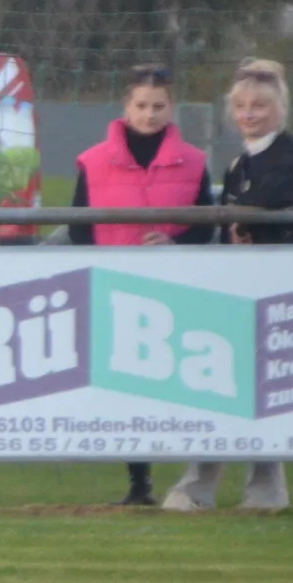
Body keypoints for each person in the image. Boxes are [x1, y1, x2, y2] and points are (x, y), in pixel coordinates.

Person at [162, 59, 293, 515]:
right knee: (221, 383)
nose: (249, 114)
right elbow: (232, 215)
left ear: (279, 109)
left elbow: (274, 198)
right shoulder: (239, 163)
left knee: (262, 388)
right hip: (238, 290)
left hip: (281, 289)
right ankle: (200, 486)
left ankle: (264, 490)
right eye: (242, 106)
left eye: (259, 106)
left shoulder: (292, 155)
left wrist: (246, 219)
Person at [70, 63, 212, 506]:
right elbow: (77, 227)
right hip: (114, 287)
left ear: (172, 108)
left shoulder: (195, 162)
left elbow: (207, 225)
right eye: (142, 105)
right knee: (125, 384)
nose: (149, 114)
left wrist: (174, 242)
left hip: (177, 288)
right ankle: (139, 482)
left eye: (158, 106)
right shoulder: (93, 161)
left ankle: (197, 478)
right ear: (126, 107)